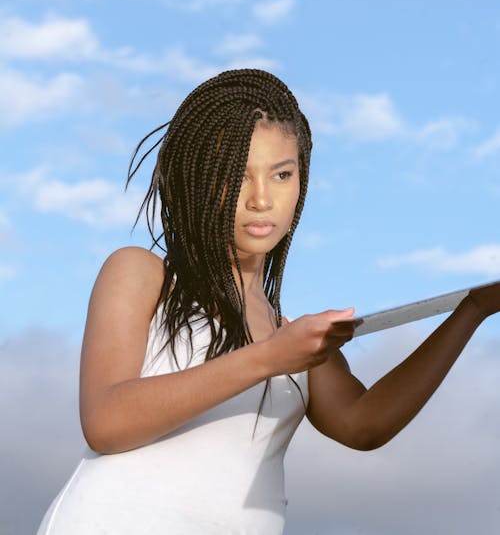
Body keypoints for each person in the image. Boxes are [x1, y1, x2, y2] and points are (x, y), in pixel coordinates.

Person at [37, 68, 500, 535]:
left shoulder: (290, 335)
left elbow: (363, 425)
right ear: (195, 177)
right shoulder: (143, 273)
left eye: (281, 174)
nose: (262, 199)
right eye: (237, 175)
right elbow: (105, 420)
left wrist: (473, 311)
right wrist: (268, 357)